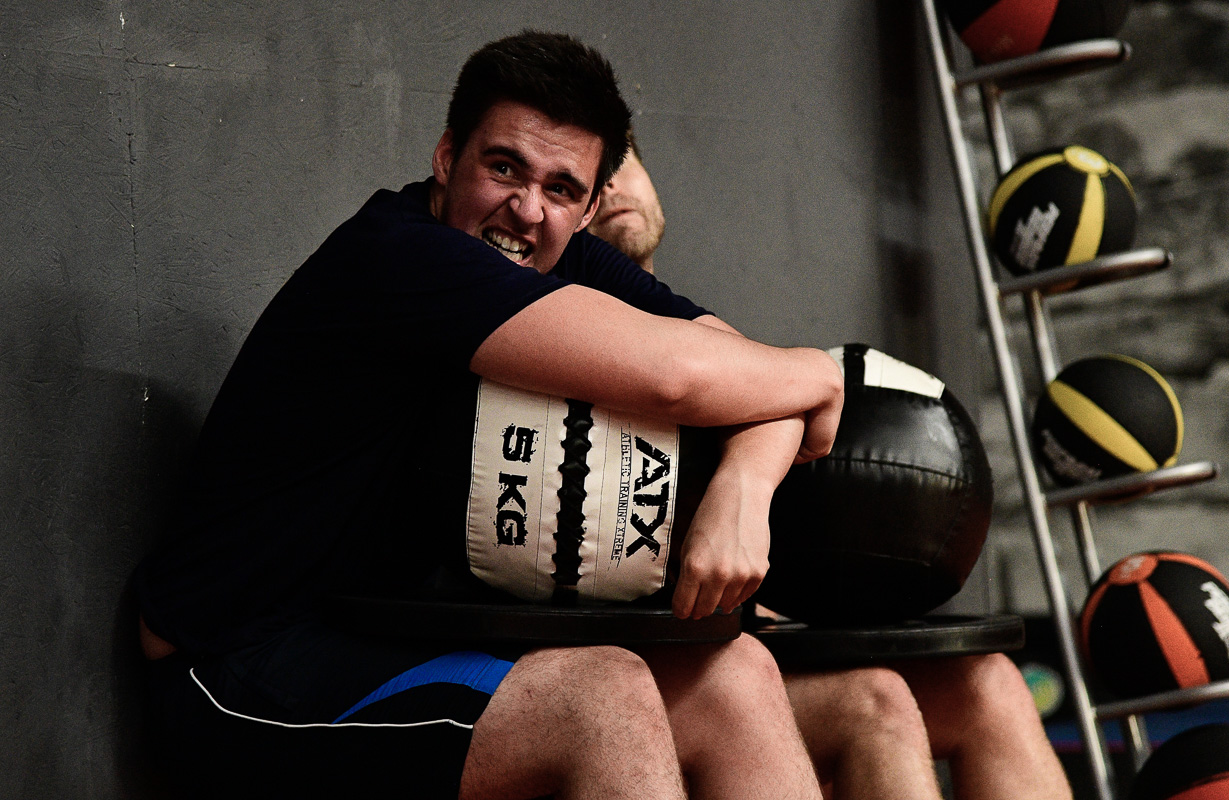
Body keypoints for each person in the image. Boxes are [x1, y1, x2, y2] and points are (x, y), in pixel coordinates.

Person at [132, 32, 842, 800]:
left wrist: (745, 483)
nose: (527, 207)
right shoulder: (404, 258)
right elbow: (684, 380)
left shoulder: (554, 252)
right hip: (232, 675)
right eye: (503, 167)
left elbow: (752, 378)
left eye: (561, 188)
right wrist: (822, 370)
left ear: (592, 205)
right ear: (446, 158)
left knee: (734, 674)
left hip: (377, 637)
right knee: (604, 699)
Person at [588, 141, 1075, 800]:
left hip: (727, 649)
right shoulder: (550, 343)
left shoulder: (700, 341)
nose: (613, 184)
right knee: (874, 703)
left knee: (986, 684)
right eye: (583, 178)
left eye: (623, 159)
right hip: (628, 672)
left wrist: (753, 492)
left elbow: (803, 385)